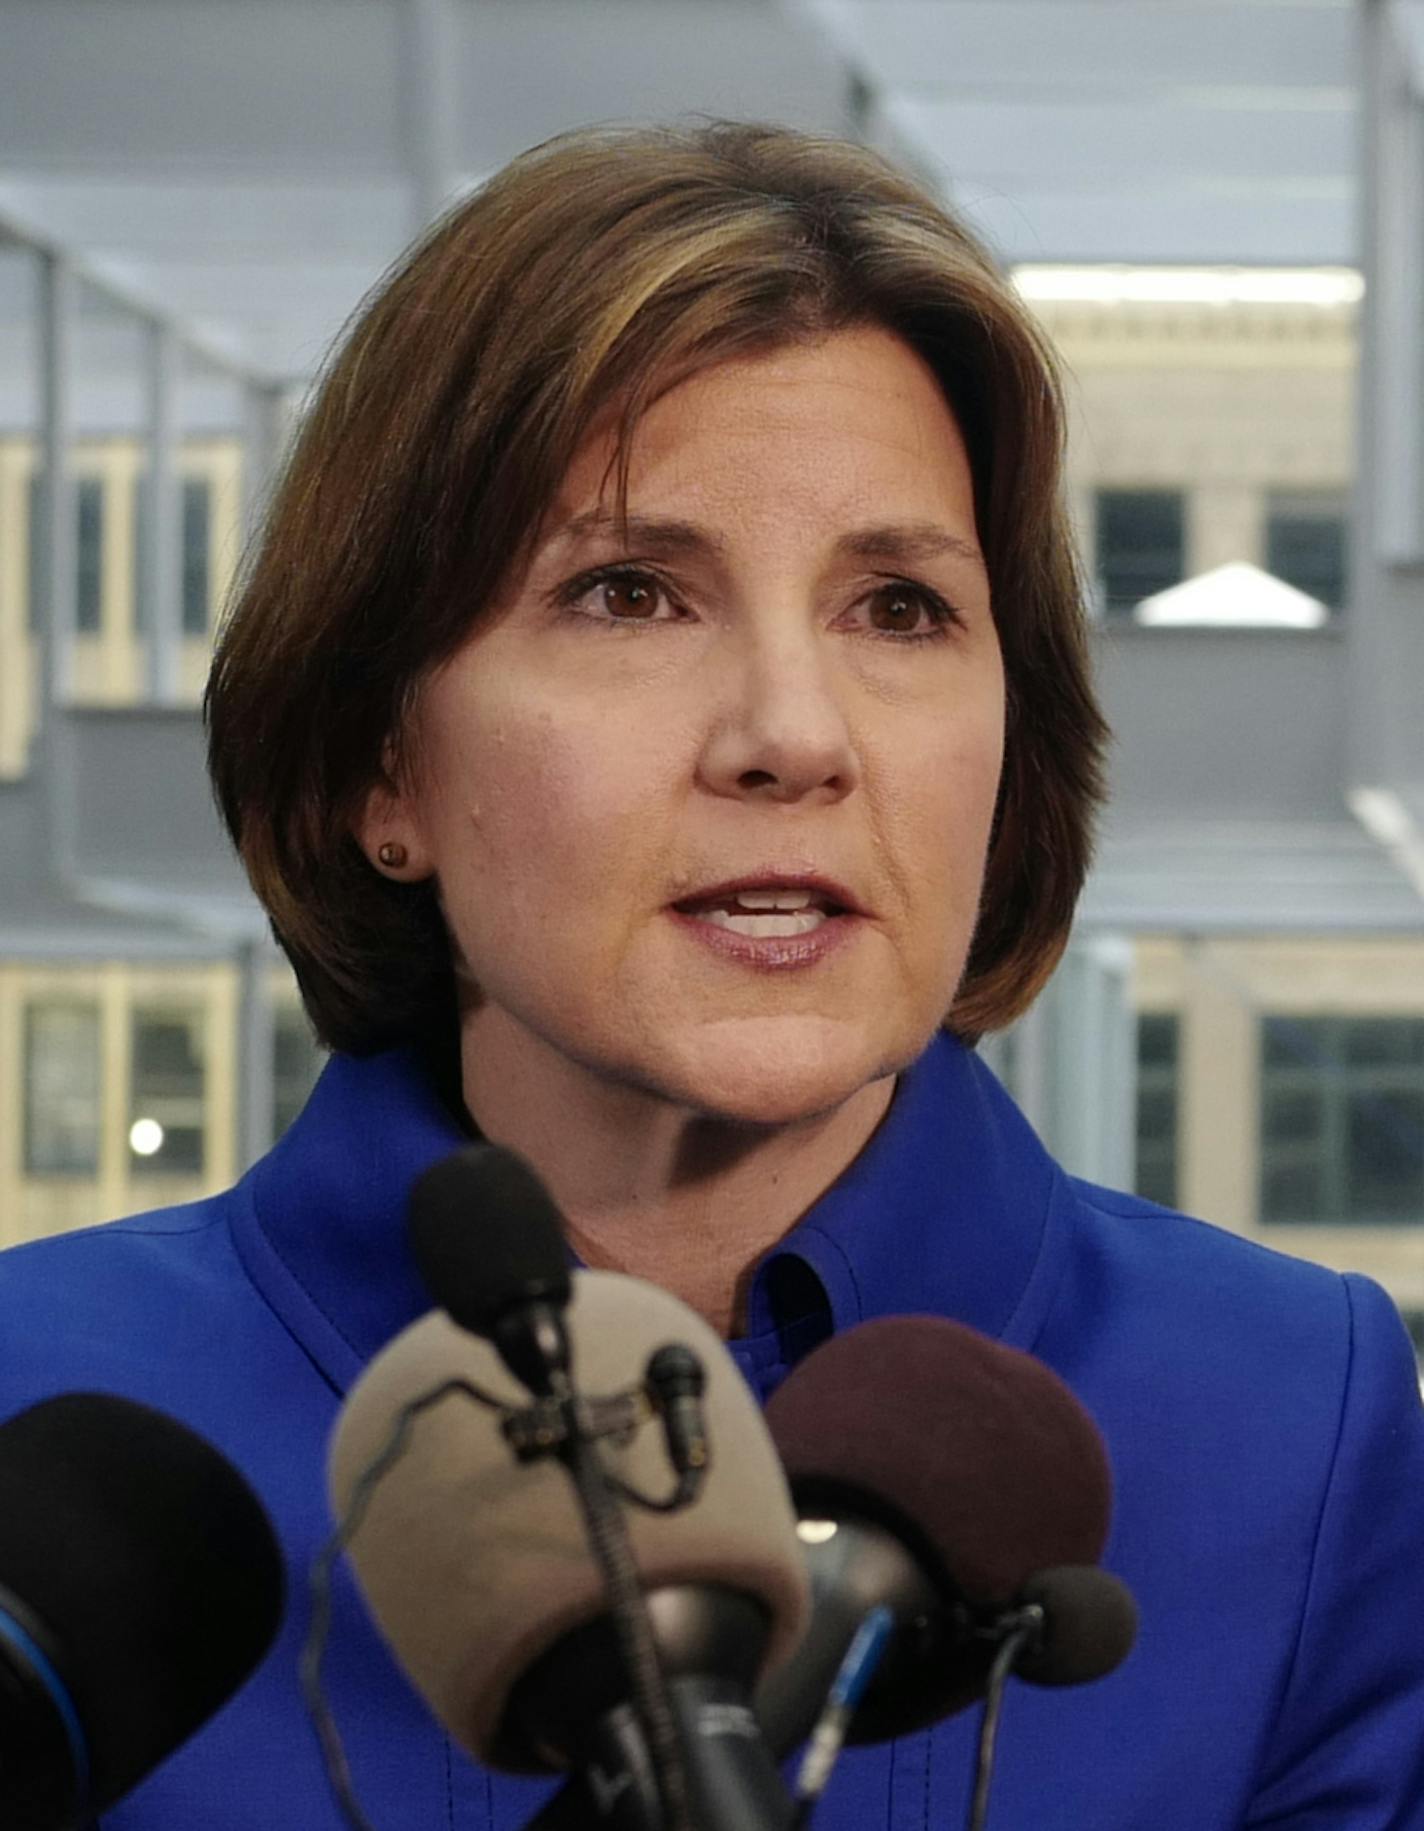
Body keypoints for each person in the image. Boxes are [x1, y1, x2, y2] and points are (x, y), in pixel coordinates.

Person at [1, 119, 1422, 1830]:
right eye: (627, 593)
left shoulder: (1306, 1418)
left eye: (898, 608)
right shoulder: (38, 1409)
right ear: (383, 765)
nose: (793, 737)